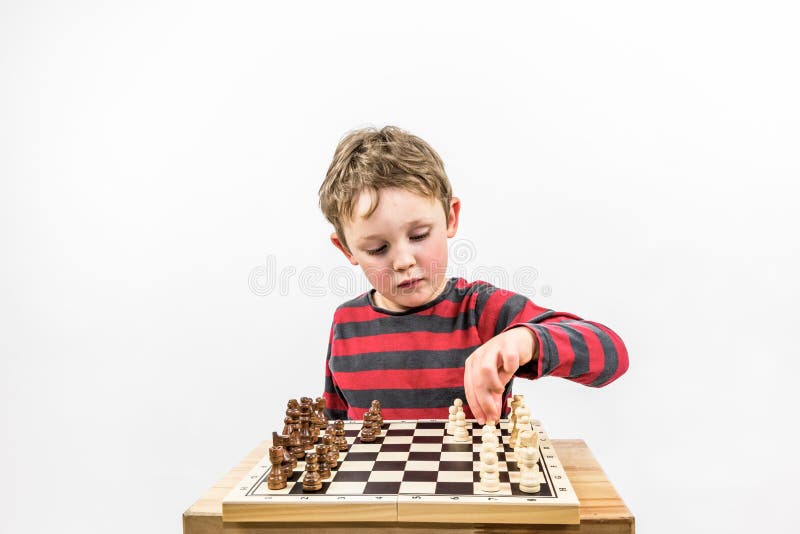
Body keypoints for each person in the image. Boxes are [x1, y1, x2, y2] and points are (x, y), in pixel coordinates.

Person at [318, 125, 628, 424]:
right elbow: (335, 431)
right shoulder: (346, 322)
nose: (403, 261)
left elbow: (612, 355)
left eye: (419, 235)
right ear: (346, 250)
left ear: (450, 218)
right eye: (377, 248)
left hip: (475, 478)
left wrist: (526, 340)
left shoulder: (482, 310)